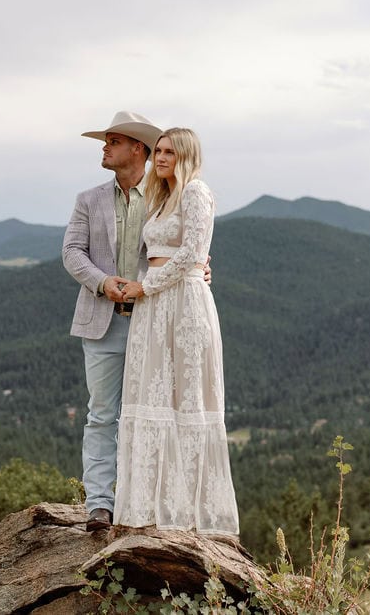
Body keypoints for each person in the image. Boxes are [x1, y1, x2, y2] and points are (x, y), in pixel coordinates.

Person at [112, 128, 239, 536]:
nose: (159, 158)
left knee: (187, 398)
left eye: (168, 152)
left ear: (184, 155)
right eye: (158, 151)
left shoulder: (196, 192)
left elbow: (191, 253)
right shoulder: (161, 197)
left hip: (183, 304)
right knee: (152, 395)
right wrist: (145, 285)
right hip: (155, 305)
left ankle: (190, 512)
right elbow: (166, 253)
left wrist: (146, 285)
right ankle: (151, 506)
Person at [62, 111, 163, 532]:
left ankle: (142, 501)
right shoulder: (89, 199)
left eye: (112, 141)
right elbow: (72, 253)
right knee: (102, 414)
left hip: (154, 321)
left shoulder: (166, 195)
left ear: (136, 148)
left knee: (150, 414)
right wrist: (104, 284)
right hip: (102, 321)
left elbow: (184, 246)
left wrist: (200, 268)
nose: (104, 148)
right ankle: (100, 505)